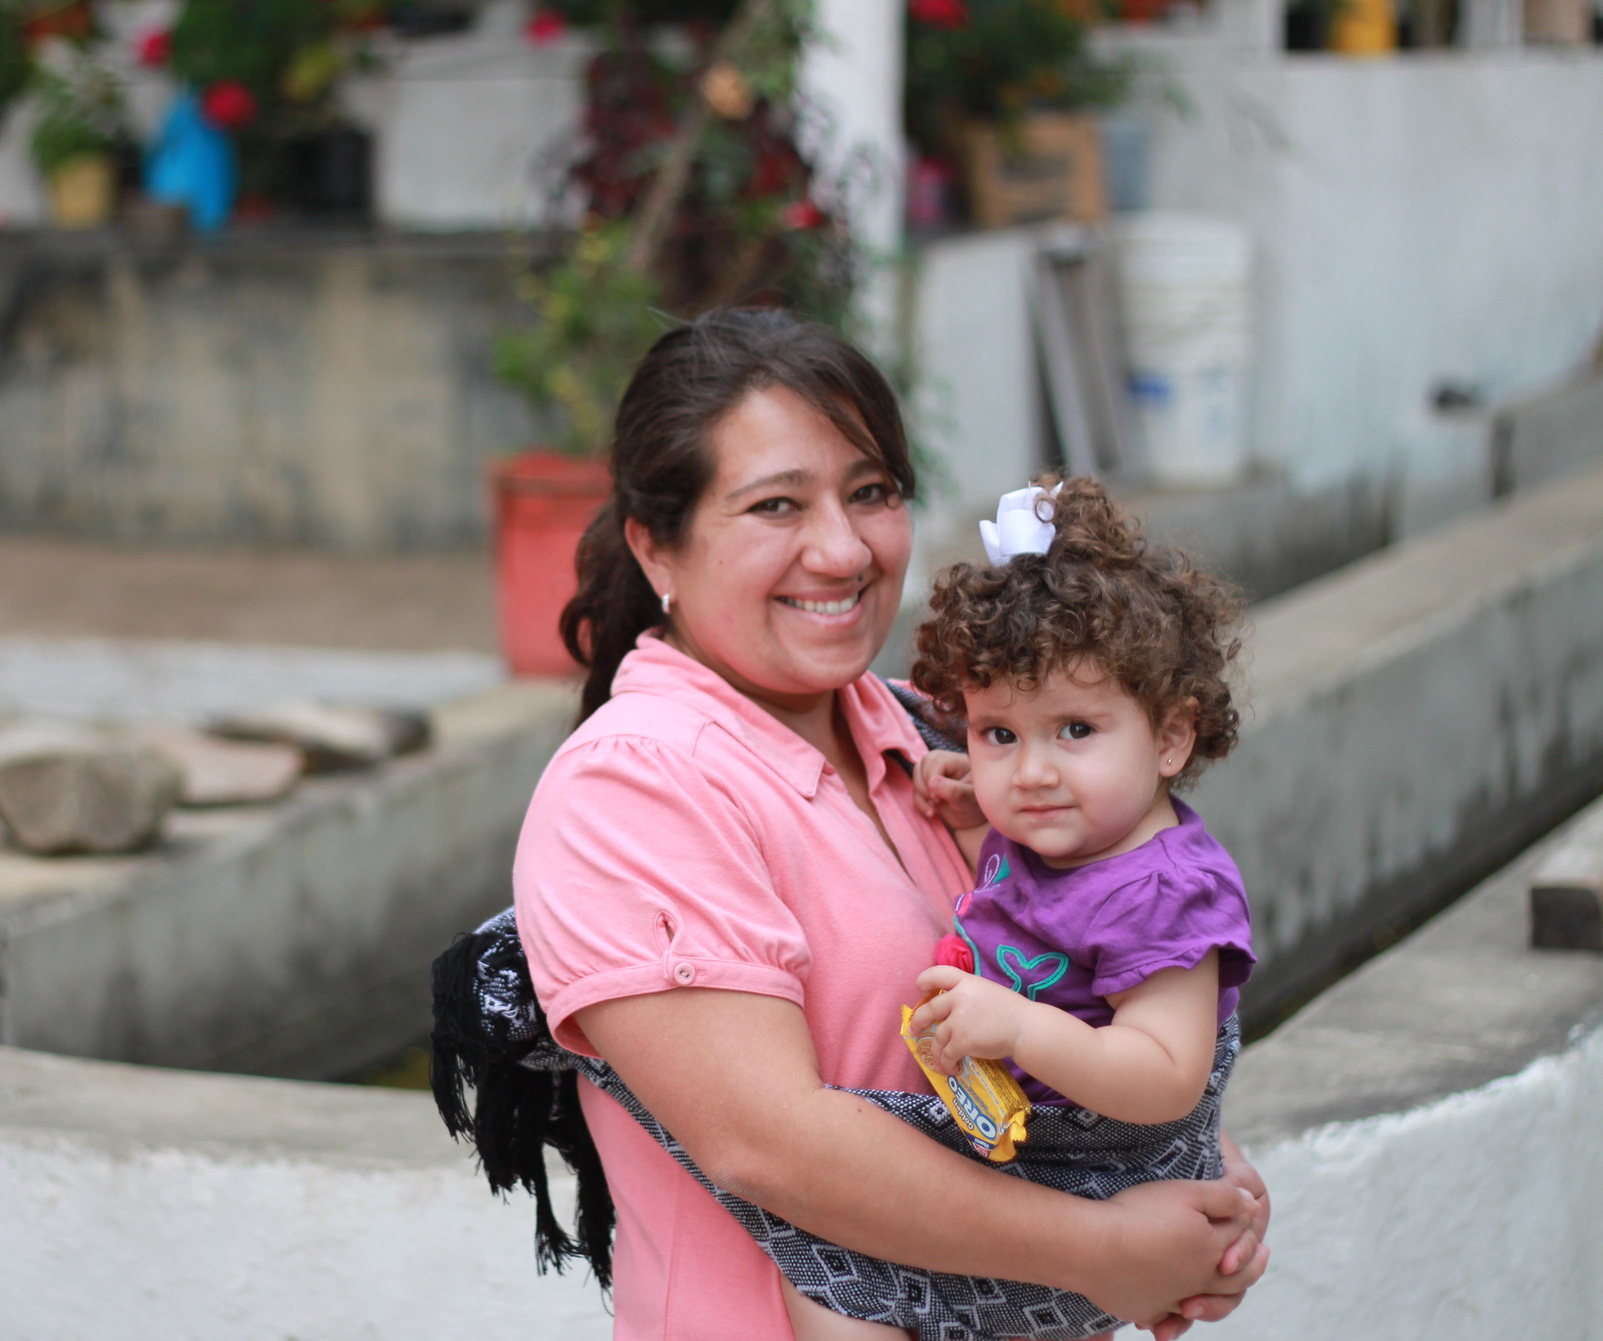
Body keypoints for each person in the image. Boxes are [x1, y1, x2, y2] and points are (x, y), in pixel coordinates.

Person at [509, 308, 1268, 1341]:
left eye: (871, 494)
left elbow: (1100, 981)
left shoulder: (942, 733)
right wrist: (1108, 1251)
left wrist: (1190, 1189)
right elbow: (769, 1145)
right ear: (657, 548)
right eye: (776, 505)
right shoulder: (635, 789)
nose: (841, 548)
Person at [779, 477, 1255, 1341]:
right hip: (1020, 1135)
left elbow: (1165, 1073)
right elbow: (1012, 905)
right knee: (836, 1258)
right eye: (1000, 733)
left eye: (1075, 729)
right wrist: (971, 808)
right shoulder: (1054, 832)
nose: (1031, 770)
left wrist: (1019, 1028)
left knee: (836, 1276)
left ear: (1172, 735)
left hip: (1100, 1161)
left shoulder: (1165, 890)